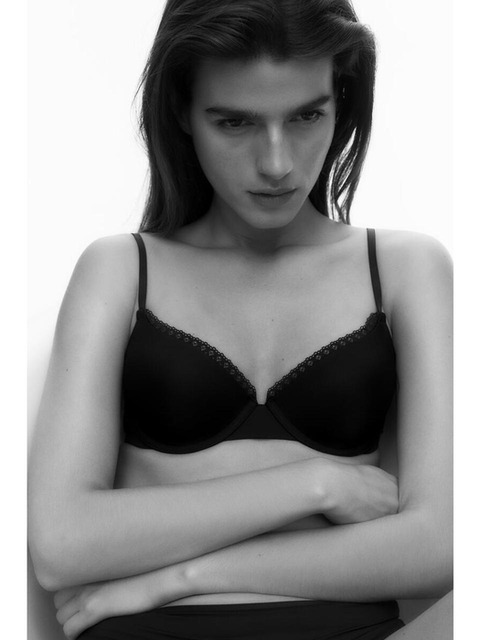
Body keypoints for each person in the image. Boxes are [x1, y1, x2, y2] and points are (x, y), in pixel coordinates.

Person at [28, 0, 453, 639]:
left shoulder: (405, 269)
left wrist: (178, 577)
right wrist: (315, 484)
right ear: (181, 111)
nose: (277, 163)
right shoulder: (120, 270)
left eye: (307, 115)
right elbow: (61, 544)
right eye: (234, 122)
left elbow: (438, 545)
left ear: (342, 101)